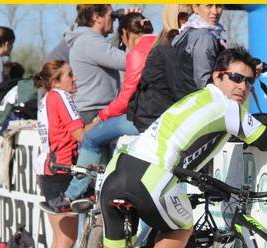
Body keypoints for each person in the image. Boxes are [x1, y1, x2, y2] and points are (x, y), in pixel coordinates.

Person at [99, 47, 267, 248]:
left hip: (118, 170)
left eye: (249, 82)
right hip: (151, 176)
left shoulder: (195, 98)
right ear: (218, 77)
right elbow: (266, 139)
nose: (243, 87)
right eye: (236, 78)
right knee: (183, 227)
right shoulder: (229, 109)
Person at [45, 12, 158, 213]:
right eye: (110, 16)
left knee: (91, 140)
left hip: (136, 117)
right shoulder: (162, 44)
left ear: (125, 32)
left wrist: (103, 115)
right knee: (101, 152)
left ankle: (72, 195)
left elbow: (126, 95)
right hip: (152, 115)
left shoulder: (136, 52)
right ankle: (95, 195)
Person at [33, 60, 96, 248]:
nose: (75, 78)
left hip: (48, 171)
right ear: (56, 81)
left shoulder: (48, 97)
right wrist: (106, 119)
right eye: (69, 75)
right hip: (60, 172)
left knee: (60, 241)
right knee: (65, 241)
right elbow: (80, 134)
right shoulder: (61, 96)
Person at [127, 4, 193, 131]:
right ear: (172, 17)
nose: (189, 21)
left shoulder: (165, 42)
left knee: (92, 137)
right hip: (153, 118)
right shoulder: (170, 47)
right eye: (184, 16)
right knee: (91, 137)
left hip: (155, 116)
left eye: (193, 17)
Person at [64, 4, 127, 124]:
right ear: (96, 17)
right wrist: (134, 27)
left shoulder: (89, 40)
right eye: (111, 15)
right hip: (94, 112)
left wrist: (123, 25)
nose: (113, 19)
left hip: (91, 111)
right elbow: (129, 62)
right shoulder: (90, 41)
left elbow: (116, 52)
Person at [171, 4, 226, 99]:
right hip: (199, 103)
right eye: (209, 6)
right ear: (195, 7)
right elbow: (204, 82)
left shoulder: (188, 32)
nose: (215, 11)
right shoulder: (204, 37)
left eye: (219, 6)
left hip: (182, 102)